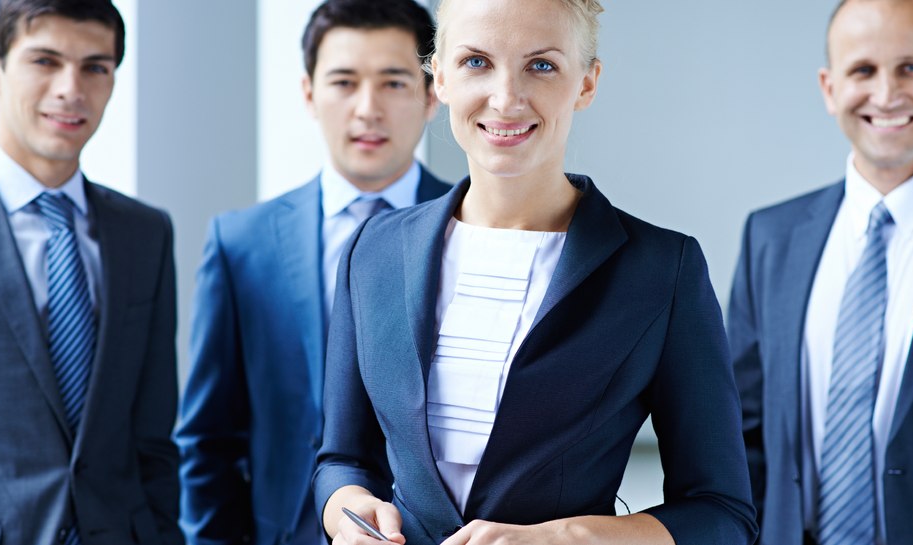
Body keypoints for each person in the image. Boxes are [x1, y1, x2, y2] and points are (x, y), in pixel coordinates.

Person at [312, 0, 757, 544]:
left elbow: (721, 513)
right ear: (440, 76)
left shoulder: (662, 269)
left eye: (541, 65)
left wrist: (565, 538)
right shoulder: (373, 251)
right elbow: (341, 459)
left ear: (587, 83)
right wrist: (348, 510)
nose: (505, 98)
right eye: (476, 61)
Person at [728, 0, 913, 544]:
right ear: (829, 87)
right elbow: (740, 435)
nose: (885, 95)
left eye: (911, 67)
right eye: (863, 70)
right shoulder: (771, 237)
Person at [175, 0, 452, 543]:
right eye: (344, 82)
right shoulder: (242, 243)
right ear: (309, 93)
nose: (367, 108)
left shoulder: (475, 229)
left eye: (394, 83)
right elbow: (208, 441)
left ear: (431, 94)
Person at [0, 0, 181, 543]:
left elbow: (153, 435)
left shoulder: (145, 233)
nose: (72, 88)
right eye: (45, 61)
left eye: (96, 66)